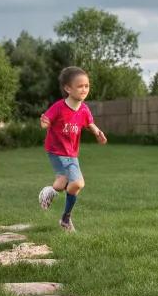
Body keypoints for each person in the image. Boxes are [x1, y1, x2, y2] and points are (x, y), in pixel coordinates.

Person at [38, 66, 108, 232]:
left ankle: (51, 194)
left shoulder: (83, 109)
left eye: (87, 86)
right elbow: (46, 119)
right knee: (77, 183)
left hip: (71, 153)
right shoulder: (59, 107)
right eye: (80, 86)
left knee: (63, 183)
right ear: (68, 88)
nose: (84, 89)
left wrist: (98, 133)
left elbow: (89, 124)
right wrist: (44, 123)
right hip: (56, 151)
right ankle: (65, 219)